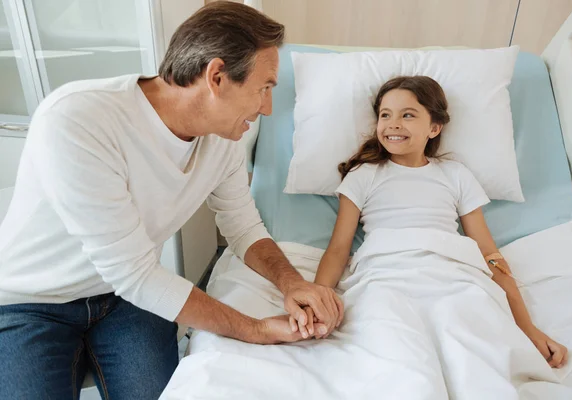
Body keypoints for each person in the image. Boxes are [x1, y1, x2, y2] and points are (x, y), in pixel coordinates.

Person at [0, 2, 342, 399]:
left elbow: (243, 227)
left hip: (123, 301)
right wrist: (258, 329)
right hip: (31, 303)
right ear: (217, 77)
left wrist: (292, 284)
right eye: (264, 88)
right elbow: (137, 274)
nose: (266, 107)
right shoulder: (78, 120)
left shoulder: (223, 140)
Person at [304, 75, 567, 382]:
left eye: (408, 115)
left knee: (468, 337)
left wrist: (528, 328)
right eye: (385, 115)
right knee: (394, 343)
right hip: (387, 275)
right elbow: (338, 249)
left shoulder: (455, 174)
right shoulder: (365, 175)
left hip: (453, 275)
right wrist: (318, 298)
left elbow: (488, 252)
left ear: (434, 127)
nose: (393, 124)